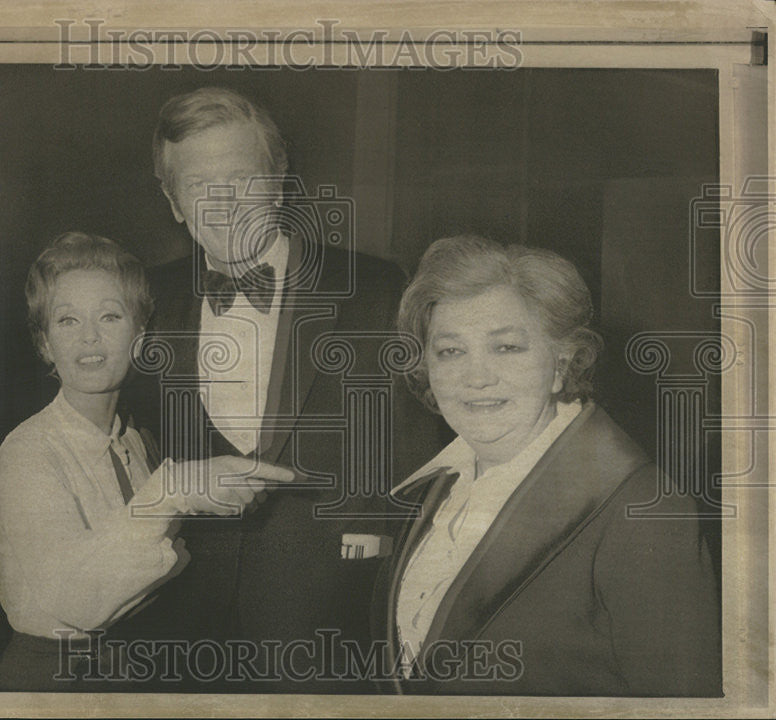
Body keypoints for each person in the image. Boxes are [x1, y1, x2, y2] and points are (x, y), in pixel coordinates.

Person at [120, 86, 440, 692]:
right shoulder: (143, 302)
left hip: (330, 623)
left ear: (280, 175)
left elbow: (424, 458)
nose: (223, 203)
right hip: (175, 627)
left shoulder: (376, 288)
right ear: (171, 201)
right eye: (196, 184)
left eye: (241, 176)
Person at [381, 234, 721, 695]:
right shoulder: (435, 488)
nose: (476, 377)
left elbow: (684, 702)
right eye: (451, 351)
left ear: (562, 362)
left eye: (507, 348)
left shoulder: (639, 506)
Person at [0, 232, 292, 691]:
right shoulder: (27, 452)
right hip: (51, 683)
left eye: (110, 316)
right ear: (45, 344)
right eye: (67, 320)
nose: (89, 336)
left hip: (128, 672)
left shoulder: (137, 442)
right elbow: (77, 600)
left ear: (140, 336)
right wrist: (173, 494)